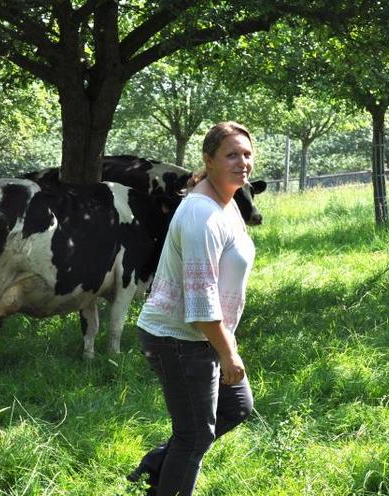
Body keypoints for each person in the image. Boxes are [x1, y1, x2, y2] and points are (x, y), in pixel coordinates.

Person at [128, 121, 257, 496]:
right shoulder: (202, 215)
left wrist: (224, 344)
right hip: (177, 337)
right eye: (231, 154)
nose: (242, 162)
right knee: (195, 435)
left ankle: (158, 463)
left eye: (247, 154)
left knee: (236, 407)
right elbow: (201, 305)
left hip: (203, 336)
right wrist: (228, 352)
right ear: (209, 160)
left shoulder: (227, 201)